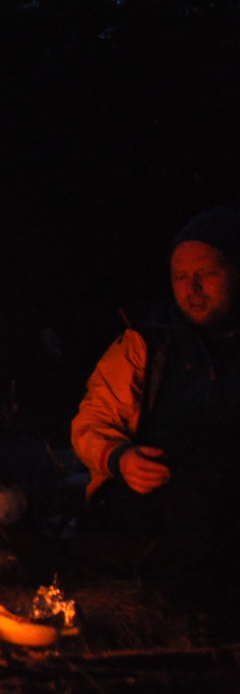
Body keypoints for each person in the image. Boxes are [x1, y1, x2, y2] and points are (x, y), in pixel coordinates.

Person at [71, 206, 240, 640]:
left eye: (208, 273)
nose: (193, 289)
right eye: (181, 277)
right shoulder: (146, 343)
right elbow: (92, 422)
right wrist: (120, 458)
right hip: (150, 507)